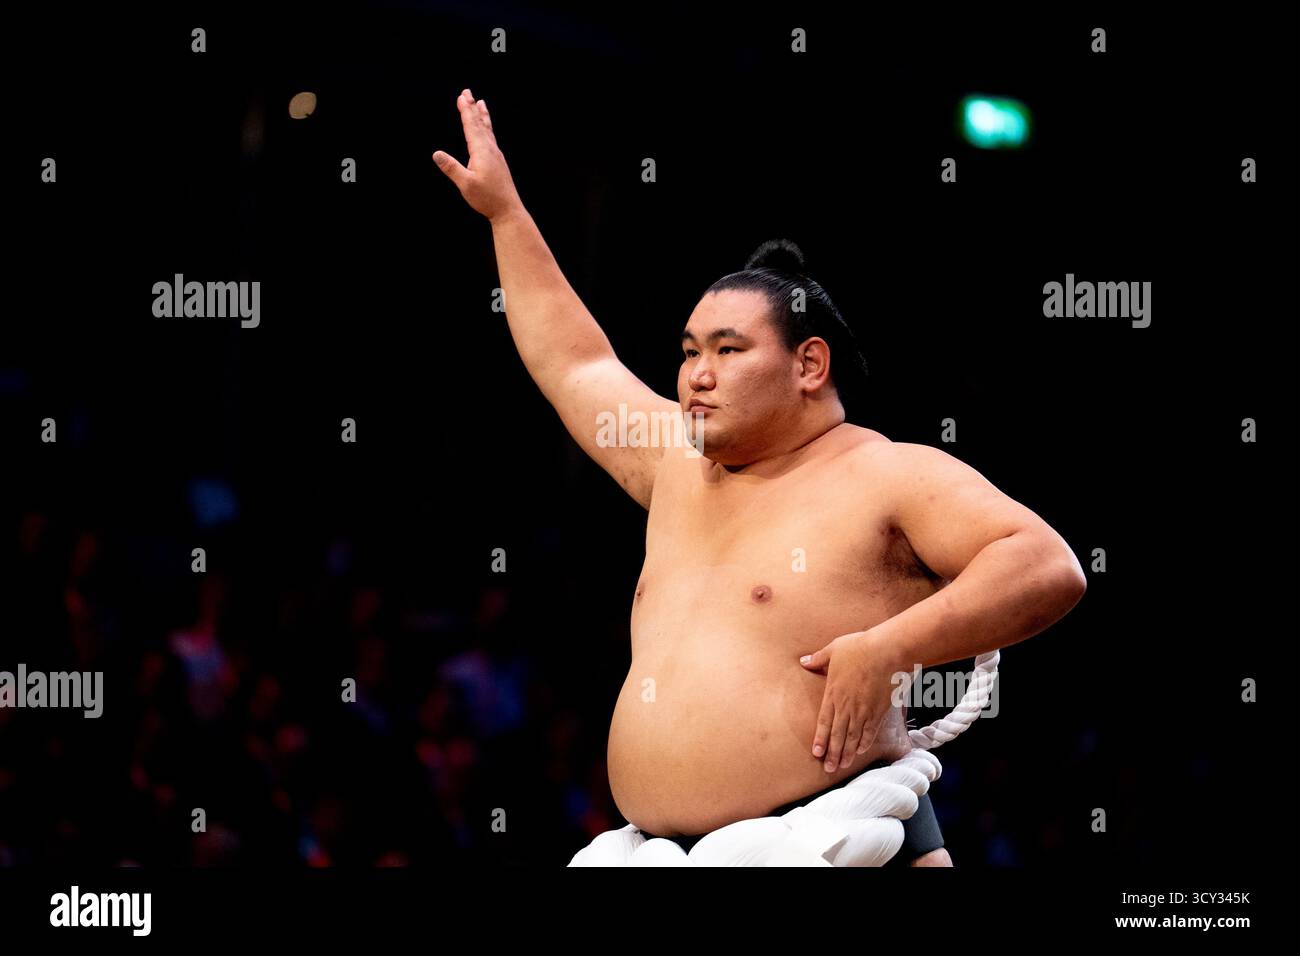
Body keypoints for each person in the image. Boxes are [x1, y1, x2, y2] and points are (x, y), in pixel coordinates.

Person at [433, 89, 1086, 866]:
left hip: (844, 838)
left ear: (809, 364)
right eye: (687, 352)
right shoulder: (676, 463)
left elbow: (1046, 566)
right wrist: (507, 215)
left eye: (728, 351)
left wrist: (887, 646)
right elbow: (579, 361)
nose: (696, 376)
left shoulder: (889, 473)